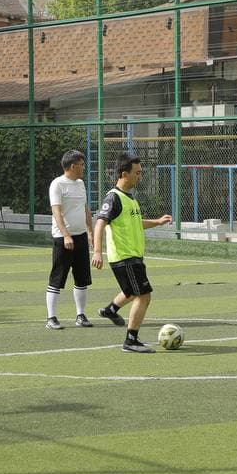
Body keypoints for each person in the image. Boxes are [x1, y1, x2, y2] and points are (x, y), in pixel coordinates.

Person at [91, 155, 172, 353]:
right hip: (125, 257)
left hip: (133, 256)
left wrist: (157, 222)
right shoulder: (113, 197)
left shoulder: (130, 198)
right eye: (137, 173)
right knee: (143, 296)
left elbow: (137, 223)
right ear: (124, 174)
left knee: (131, 292)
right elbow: (100, 222)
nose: (140, 177)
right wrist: (97, 251)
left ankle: (110, 310)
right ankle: (130, 341)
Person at [45, 150, 94, 329]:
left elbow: (85, 209)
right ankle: (51, 318)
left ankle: (80, 315)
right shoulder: (57, 184)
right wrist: (66, 235)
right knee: (57, 278)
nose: (83, 168)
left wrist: (90, 232)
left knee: (82, 279)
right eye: (81, 164)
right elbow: (56, 211)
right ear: (72, 166)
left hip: (80, 237)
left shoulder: (80, 184)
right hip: (62, 239)